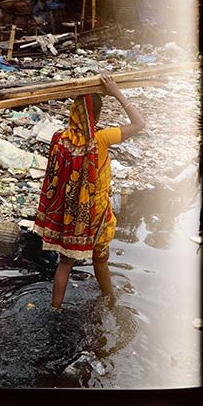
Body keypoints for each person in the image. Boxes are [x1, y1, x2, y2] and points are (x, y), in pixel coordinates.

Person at [34, 74, 146, 311]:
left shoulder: (59, 138)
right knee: (101, 258)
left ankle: (55, 308)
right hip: (94, 215)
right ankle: (110, 301)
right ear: (95, 116)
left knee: (64, 263)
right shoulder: (101, 139)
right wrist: (116, 92)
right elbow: (139, 124)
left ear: (75, 112)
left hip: (68, 214)